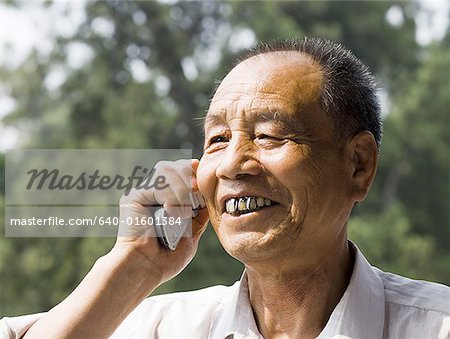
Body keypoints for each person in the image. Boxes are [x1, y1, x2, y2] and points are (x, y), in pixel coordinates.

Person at [1, 37, 449, 339]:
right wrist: (133, 264)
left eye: (270, 134)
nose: (233, 162)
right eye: (217, 139)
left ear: (359, 164)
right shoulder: (161, 328)